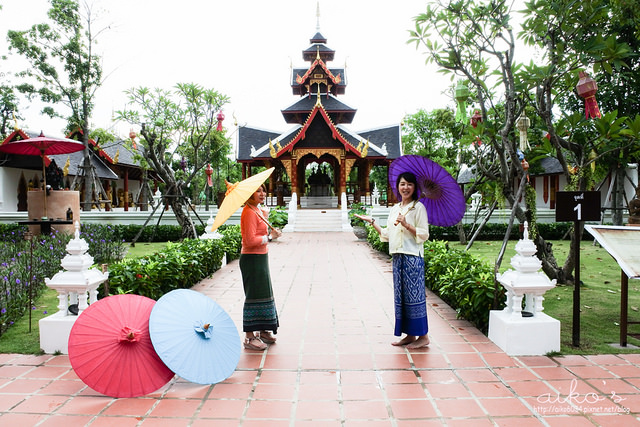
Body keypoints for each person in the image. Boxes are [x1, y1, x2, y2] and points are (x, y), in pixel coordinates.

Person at [355, 172, 431, 349]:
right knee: (402, 298)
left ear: (414, 187)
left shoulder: (418, 208)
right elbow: (387, 235)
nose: (405, 187)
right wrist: (372, 221)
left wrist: (407, 224)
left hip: (412, 258)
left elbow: (424, 234)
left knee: (415, 297)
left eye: (409, 184)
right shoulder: (395, 209)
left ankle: (424, 336)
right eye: (402, 184)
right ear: (398, 186)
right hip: (397, 258)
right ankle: (410, 335)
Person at [239, 183, 282, 351]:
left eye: (263, 190)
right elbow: (249, 241)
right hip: (251, 259)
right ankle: (249, 337)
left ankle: (263, 330)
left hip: (261, 258)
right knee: (254, 295)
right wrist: (269, 237)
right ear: (250, 194)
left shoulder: (257, 210)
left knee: (264, 293)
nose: (262, 193)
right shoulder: (248, 212)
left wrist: (264, 216)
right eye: (258, 190)